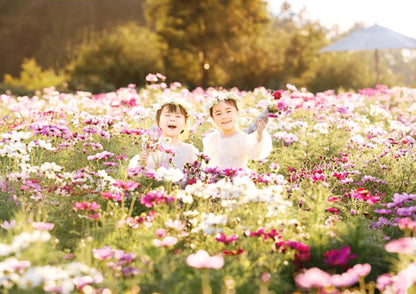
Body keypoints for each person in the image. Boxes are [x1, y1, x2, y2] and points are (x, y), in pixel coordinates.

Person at [202, 92, 272, 171]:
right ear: (213, 118)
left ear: (237, 113)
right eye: (218, 114)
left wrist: (259, 134)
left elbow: (255, 153)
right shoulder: (211, 138)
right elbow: (206, 163)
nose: (224, 117)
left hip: (238, 178)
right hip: (215, 178)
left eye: (228, 111)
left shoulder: (244, 138)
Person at [129, 99, 198, 171]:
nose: (172, 119)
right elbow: (137, 175)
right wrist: (142, 163)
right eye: (167, 115)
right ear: (157, 122)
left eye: (178, 116)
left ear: (185, 123)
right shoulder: (151, 148)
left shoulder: (190, 150)